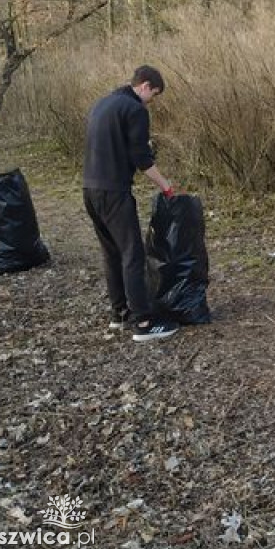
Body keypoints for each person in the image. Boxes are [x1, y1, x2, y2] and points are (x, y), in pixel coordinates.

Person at [83, 65, 179, 342]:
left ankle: (119, 315)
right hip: (114, 192)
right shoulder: (135, 109)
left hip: (89, 189)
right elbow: (141, 157)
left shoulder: (103, 104)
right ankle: (143, 323)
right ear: (145, 86)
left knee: (111, 253)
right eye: (155, 94)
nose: (153, 101)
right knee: (132, 254)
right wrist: (166, 186)